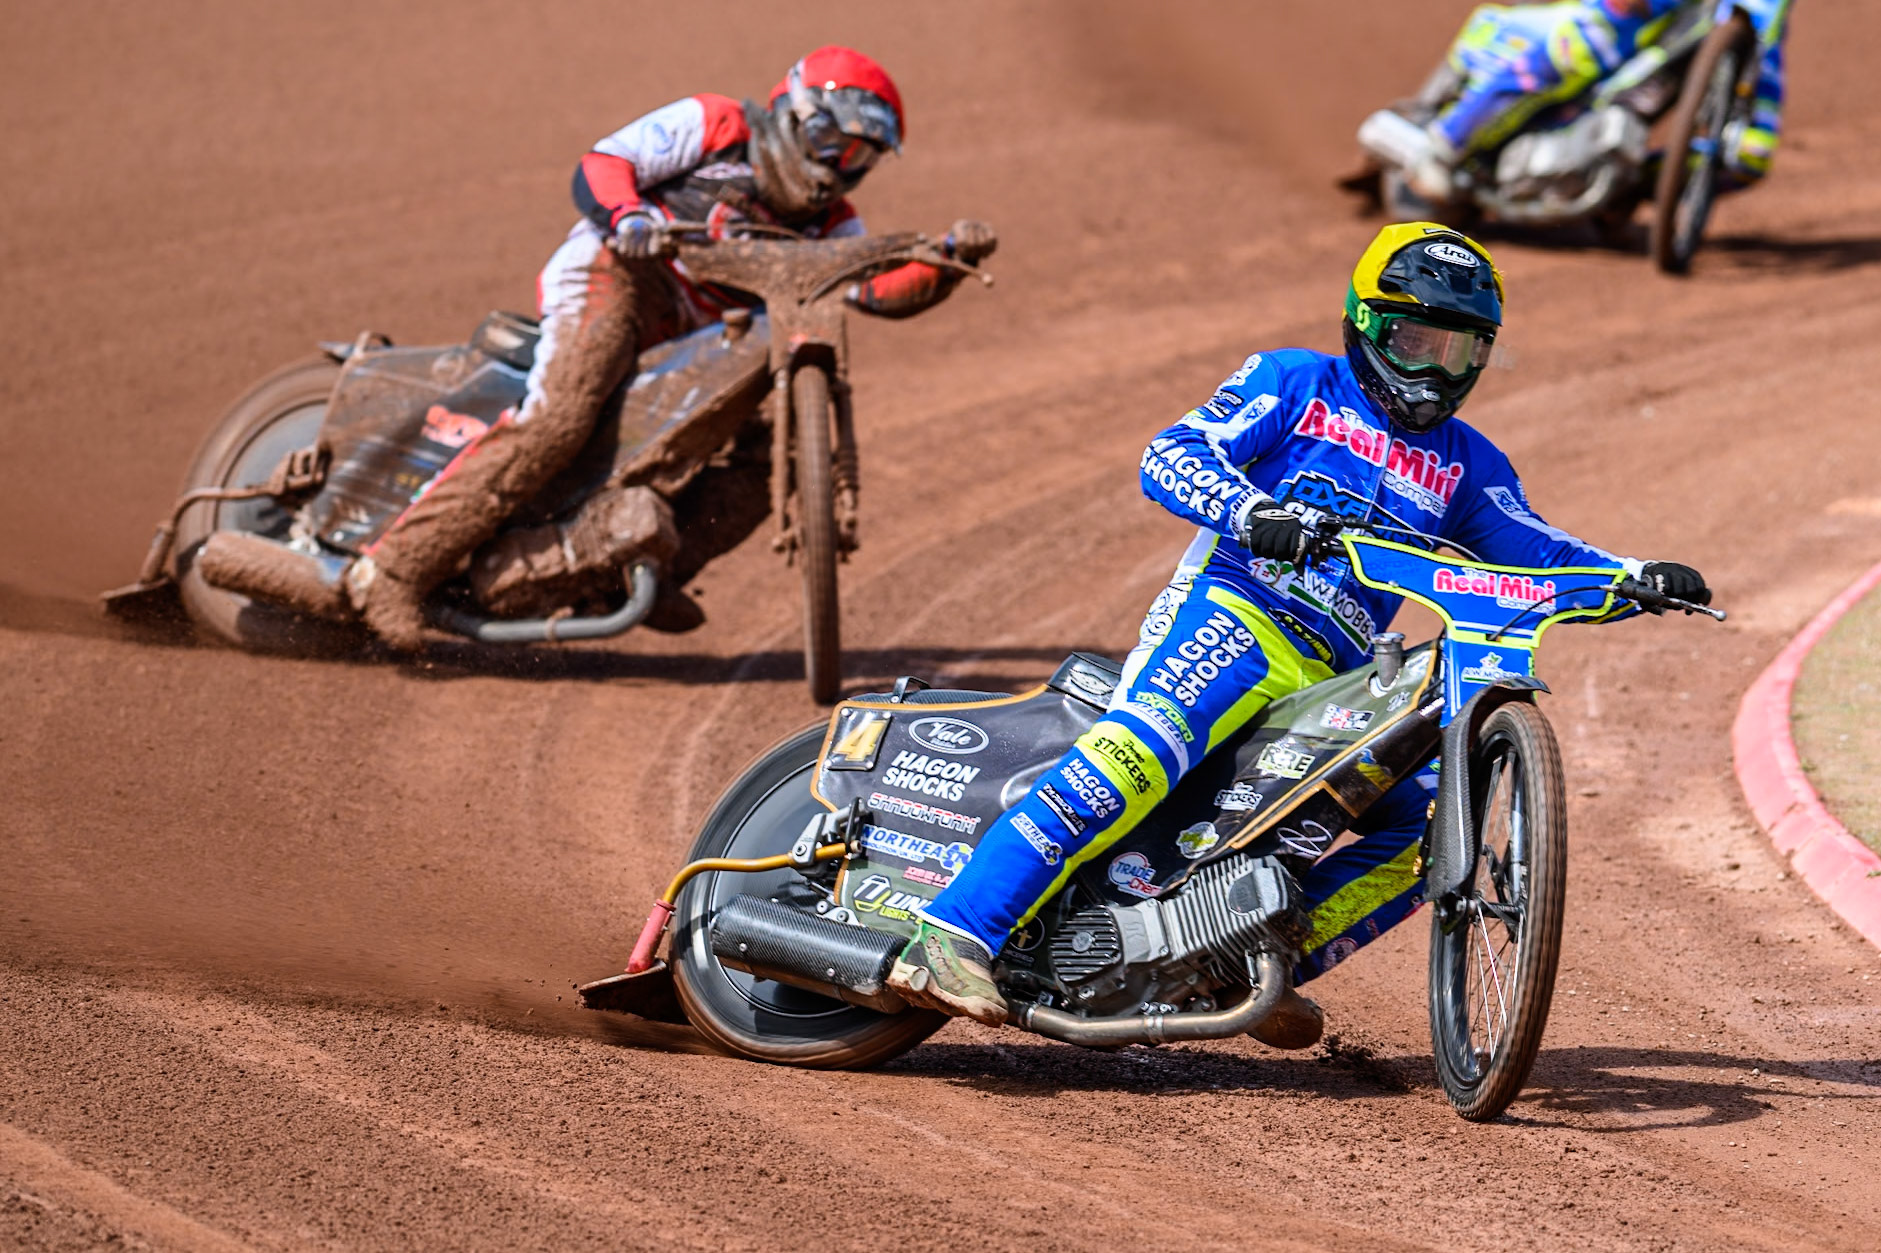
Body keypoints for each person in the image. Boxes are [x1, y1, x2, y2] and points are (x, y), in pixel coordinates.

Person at [888, 222, 1710, 1038]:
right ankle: (953, 931)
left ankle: (1244, 959)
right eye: (1414, 338)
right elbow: (1172, 453)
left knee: (1423, 824)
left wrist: (1630, 576)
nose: (1432, 369)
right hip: (1233, 612)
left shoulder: (1468, 461)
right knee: (1131, 760)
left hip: (1342, 679)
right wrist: (1253, 512)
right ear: (1363, 321)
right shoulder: (1293, 382)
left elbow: (1534, 548)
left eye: (1459, 351)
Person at [334, 46, 995, 649]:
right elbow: (605, 163)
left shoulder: (833, 225)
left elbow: (872, 292)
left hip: (701, 339)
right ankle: (391, 570)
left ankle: (639, 565)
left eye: (857, 157)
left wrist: (942, 262)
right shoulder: (717, 125)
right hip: (617, 277)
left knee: (765, 464)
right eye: (830, 139)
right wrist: (628, 217)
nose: (835, 166)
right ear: (795, 113)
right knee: (559, 419)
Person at [1385, 0, 1793, 203]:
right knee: (1581, 48)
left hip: (1733, 29)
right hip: (1633, 15)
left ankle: (1626, 189)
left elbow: (1766, 43)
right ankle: (1445, 143)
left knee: (1749, 156)